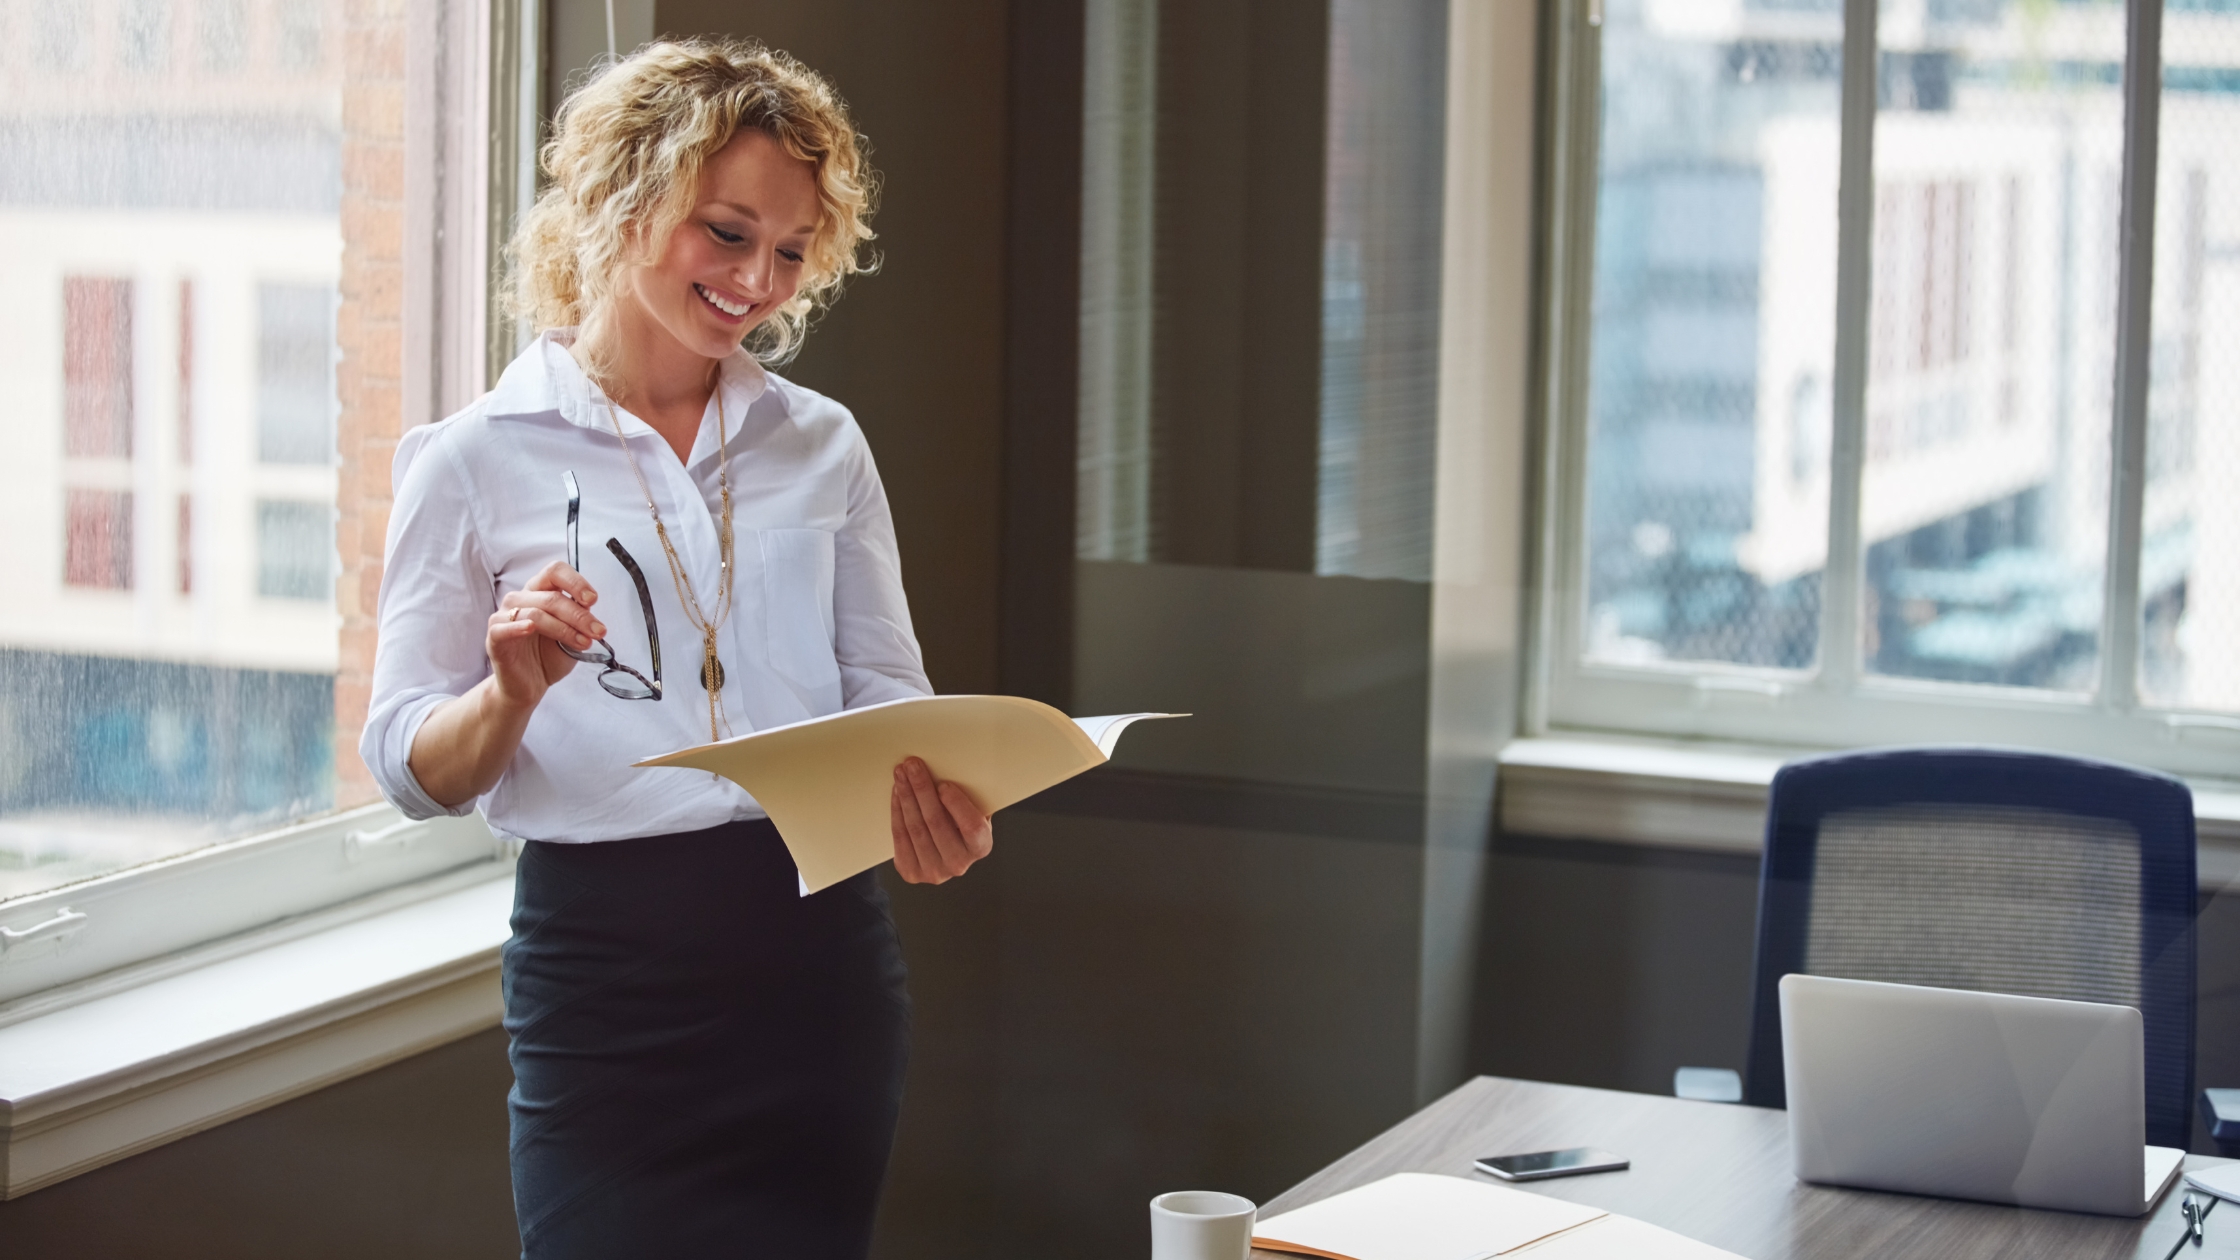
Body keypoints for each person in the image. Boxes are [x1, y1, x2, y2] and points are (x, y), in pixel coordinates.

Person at [359, 39, 990, 1259]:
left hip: (821, 968)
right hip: (607, 985)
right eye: (726, 230)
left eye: (792, 251)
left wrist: (935, 807)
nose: (758, 279)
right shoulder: (475, 459)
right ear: (619, 201)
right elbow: (406, 766)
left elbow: (887, 702)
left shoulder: (824, 446)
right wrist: (508, 695)